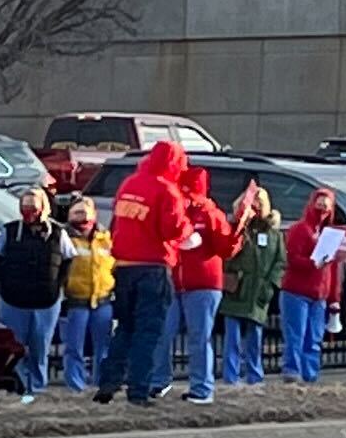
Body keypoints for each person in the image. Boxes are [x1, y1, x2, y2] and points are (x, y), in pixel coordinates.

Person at [98, 142, 199, 405]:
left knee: (125, 329)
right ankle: (138, 390)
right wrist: (189, 233)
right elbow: (172, 229)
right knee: (148, 331)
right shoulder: (167, 190)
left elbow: (116, 224)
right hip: (152, 268)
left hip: (123, 267)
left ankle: (108, 384)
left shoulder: (129, 184)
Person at [163, 167, 236, 405]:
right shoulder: (174, 211)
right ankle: (159, 381)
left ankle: (202, 388)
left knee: (199, 336)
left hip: (204, 284)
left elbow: (225, 248)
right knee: (163, 332)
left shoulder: (211, 214)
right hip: (175, 282)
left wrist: (236, 233)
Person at [0, 195, 66, 401]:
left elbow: (69, 259)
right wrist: (6, 279)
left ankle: (38, 390)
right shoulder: (10, 231)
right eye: (25, 206)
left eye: (33, 206)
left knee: (40, 348)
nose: (28, 210)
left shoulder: (57, 233)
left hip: (46, 301)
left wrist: (57, 284)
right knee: (16, 348)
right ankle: (21, 388)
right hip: (14, 300)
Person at [277, 188, 346, 382]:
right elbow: (291, 259)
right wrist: (313, 263)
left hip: (319, 296)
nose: (322, 211)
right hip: (296, 292)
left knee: (314, 338)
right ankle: (292, 372)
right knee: (295, 336)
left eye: (326, 207)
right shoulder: (300, 229)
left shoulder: (329, 234)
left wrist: (334, 299)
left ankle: (310, 374)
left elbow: (333, 271)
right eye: (319, 205)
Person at [216, 185, 281, 388]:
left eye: (260, 203)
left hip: (258, 293)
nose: (256, 206)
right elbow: (225, 254)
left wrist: (271, 285)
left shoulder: (274, 235)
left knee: (255, 337)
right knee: (232, 337)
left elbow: (280, 263)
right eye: (253, 202)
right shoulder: (235, 228)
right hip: (237, 289)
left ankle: (255, 375)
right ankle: (231, 376)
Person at [54, 197, 112, 393]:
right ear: (70, 215)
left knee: (103, 348)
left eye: (87, 213)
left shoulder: (105, 238)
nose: (84, 217)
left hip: (102, 301)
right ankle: (76, 387)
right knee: (74, 348)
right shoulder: (64, 238)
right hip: (75, 301)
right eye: (78, 212)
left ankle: (101, 385)